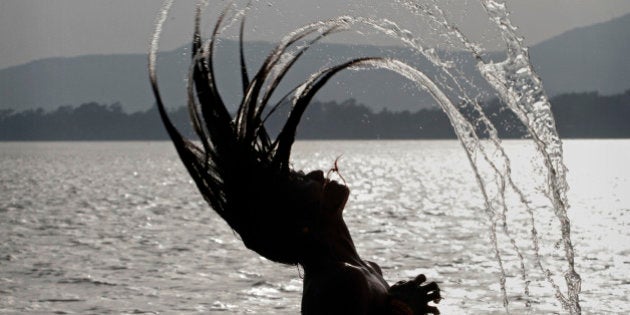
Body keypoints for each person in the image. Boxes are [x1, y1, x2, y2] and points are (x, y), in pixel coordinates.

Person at [149, 7, 441, 315]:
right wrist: (399, 311)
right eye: (299, 180)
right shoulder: (340, 282)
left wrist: (396, 303)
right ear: (303, 222)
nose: (315, 173)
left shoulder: (365, 270)